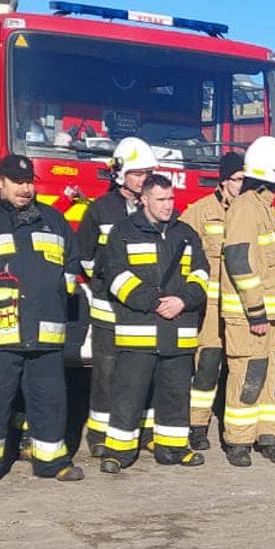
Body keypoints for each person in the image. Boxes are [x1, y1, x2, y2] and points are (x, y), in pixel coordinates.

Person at [0, 154, 84, 488]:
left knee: (50, 401)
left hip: (45, 333)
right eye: (18, 182)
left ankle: (52, 460)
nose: (26, 189)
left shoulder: (53, 219)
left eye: (29, 182)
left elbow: (71, 264)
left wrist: (59, 291)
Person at [97, 174, 209, 471]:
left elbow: (201, 275)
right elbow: (117, 277)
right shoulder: (123, 232)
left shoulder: (185, 234)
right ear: (143, 199)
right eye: (161, 199)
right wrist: (155, 303)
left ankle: (173, 449)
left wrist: (182, 301)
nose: (167, 205)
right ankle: (117, 453)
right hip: (139, 333)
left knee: (175, 395)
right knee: (128, 396)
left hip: (178, 332)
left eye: (171, 199)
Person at [75, 136, 160, 456]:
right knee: (106, 373)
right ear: (120, 173)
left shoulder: (155, 210)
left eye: (148, 173)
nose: (143, 180)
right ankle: (99, 435)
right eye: (138, 174)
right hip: (108, 307)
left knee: (145, 370)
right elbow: (84, 257)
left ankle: (145, 430)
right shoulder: (100, 210)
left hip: (144, 308)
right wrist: (110, 279)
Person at [219, 136, 275, 466]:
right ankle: (238, 440)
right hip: (253, 316)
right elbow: (239, 261)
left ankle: (270, 435)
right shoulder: (246, 209)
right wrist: (255, 311)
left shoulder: (266, 210)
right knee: (248, 375)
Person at [176, 152, 244, 452]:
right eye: (238, 180)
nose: (243, 185)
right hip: (212, 311)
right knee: (207, 366)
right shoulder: (199, 212)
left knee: (240, 370)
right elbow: (178, 254)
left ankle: (236, 429)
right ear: (224, 180)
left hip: (243, 309)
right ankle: (197, 425)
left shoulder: (251, 212)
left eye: (246, 179)